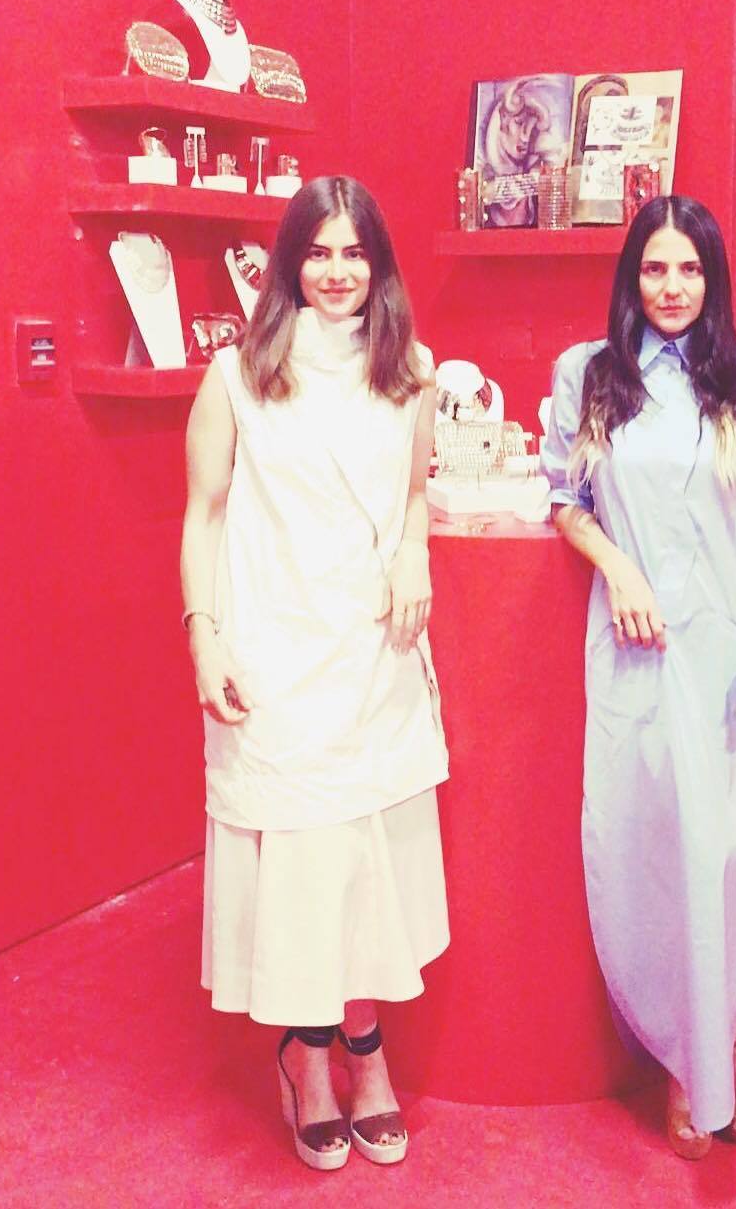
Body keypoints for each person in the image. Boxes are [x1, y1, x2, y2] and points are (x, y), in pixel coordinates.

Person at [179, 176, 449, 1171]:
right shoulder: (239, 373)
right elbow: (204, 513)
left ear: (379, 264)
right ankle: (307, 1051)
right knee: (306, 863)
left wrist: (414, 554)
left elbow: (414, 494)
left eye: (355, 253)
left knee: (366, 861)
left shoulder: (409, 369)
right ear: (290, 262)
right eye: (319, 252)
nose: (338, 272)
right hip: (276, 648)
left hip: (375, 648)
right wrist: (204, 637)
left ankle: (362, 1047)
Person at [541, 195, 736, 1159]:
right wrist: (617, 565)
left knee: (723, 856)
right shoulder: (588, 375)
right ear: (631, 277)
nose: (673, 286)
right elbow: (564, 498)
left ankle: (723, 1042)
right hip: (637, 650)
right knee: (649, 852)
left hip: (730, 655)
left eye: (690, 269)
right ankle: (685, 1048)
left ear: (713, 278)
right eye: (655, 267)